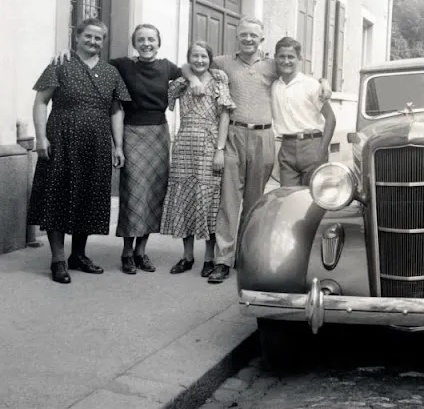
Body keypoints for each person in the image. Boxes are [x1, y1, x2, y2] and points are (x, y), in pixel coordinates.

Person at [183, 16, 332, 284]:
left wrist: (324, 81)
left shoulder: (273, 65)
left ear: (261, 39)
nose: (249, 39)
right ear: (237, 36)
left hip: (263, 136)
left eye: (254, 35)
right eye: (244, 35)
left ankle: (245, 255)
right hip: (234, 134)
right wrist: (191, 77)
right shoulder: (223, 63)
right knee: (229, 202)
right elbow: (191, 64)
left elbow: (296, 70)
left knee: (254, 203)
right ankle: (223, 260)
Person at [53, 24, 183, 275]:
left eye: (152, 40)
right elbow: (88, 59)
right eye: (141, 39)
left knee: (155, 193)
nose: (147, 44)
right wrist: (63, 53)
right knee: (133, 192)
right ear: (134, 43)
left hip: (159, 133)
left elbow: (191, 71)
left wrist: (197, 76)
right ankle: (126, 252)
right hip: (131, 132)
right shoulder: (121, 65)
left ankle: (141, 251)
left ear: (159, 42)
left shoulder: (168, 67)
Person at [29, 18, 130, 284]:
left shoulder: (110, 72)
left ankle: (79, 255)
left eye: (99, 38)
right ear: (78, 37)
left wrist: (118, 145)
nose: (93, 41)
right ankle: (58, 259)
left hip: (96, 142)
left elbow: (116, 110)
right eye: (89, 36)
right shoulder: (60, 64)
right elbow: (41, 100)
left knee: (89, 196)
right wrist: (40, 137)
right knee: (57, 194)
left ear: (103, 42)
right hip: (61, 136)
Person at [161, 41, 235, 277]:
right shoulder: (183, 82)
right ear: (189, 58)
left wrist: (220, 149)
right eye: (195, 56)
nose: (199, 60)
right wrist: (190, 77)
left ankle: (210, 258)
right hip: (184, 145)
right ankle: (187, 256)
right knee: (186, 198)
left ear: (210, 58)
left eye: (203, 56)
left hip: (210, 143)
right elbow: (169, 94)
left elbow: (225, 116)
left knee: (209, 201)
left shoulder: (219, 80)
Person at [271, 37, 336, 186]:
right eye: (281, 56)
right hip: (286, 146)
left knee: (313, 195)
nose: (286, 61)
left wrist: (322, 149)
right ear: (275, 58)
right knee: (289, 197)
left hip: (312, 144)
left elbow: (331, 119)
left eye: (291, 57)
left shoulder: (310, 85)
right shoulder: (274, 85)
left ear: (299, 58)